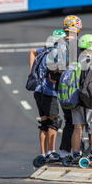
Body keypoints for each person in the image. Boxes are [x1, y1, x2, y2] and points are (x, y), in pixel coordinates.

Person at [29, 29, 67, 165]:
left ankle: (43, 153)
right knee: (54, 122)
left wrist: (32, 72)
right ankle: (51, 152)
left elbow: (32, 51)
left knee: (44, 124)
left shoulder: (44, 50)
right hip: (49, 92)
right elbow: (53, 78)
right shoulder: (56, 54)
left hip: (38, 91)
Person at [66, 34, 92, 166]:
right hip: (88, 98)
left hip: (74, 98)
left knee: (77, 127)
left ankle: (76, 155)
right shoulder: (91, 62)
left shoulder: (75, 62)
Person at [58, 15, 83, 159]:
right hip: (75, 87)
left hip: (61, 87)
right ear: (78, 28)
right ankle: (76, 150)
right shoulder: (80, 45)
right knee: (78, 121)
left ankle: (64, 150)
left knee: (68, 119)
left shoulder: (58, 44)